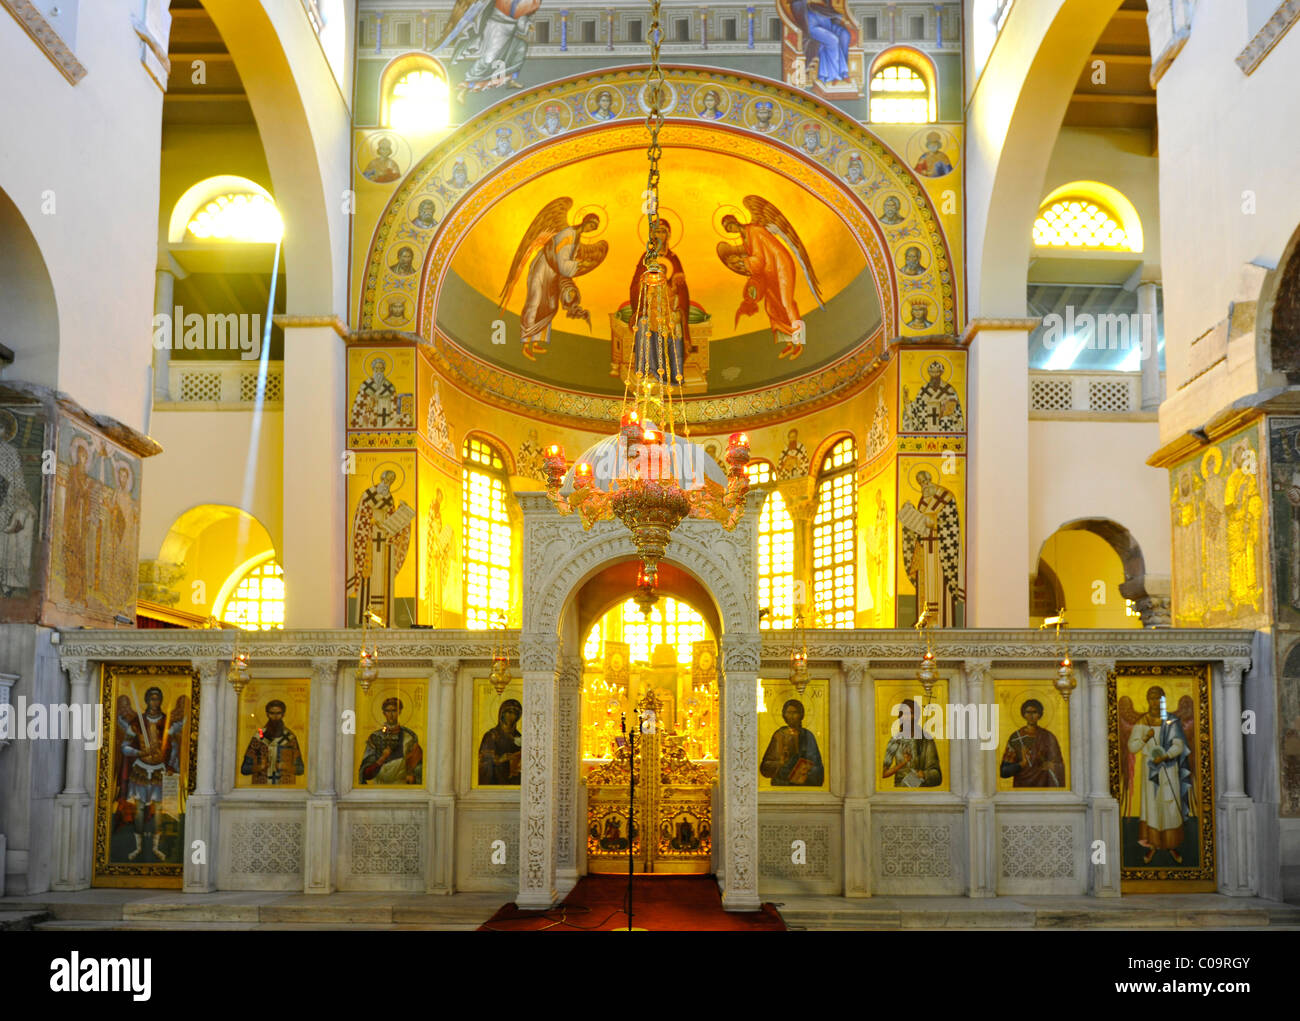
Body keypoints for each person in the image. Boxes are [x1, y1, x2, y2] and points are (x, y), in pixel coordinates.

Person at [500, 198, 608, 359]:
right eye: (591, 225)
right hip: (543, 266)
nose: (591, 229)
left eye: (594, 228)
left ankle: (536, 342)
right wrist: (579, 265)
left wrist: (573, 275)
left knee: (550, 304)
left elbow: (564, 266)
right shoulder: (568, 233)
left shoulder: (577, 241)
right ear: (585, 221)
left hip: (554, 273)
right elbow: (562, 262)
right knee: (535, 301)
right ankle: (525, 343)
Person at [1126, 686, 1192, 864]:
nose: (1154, 701)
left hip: (1169, 769)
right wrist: (1145, 739)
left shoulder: (1171, 721)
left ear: (1163, 700)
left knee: (1170, 804)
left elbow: (1179, 745)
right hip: (1150, 771)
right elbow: (1132, 747)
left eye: (1158, 698)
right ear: (1147, 700)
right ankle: (1153, 845)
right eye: (1151, 698)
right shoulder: (1142, 721)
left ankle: (1172, 845)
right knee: (1152, 806)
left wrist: (1165, 756)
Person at [116, 686, 183, 860]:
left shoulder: (166, 722)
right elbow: (124, 747)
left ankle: (156, 847)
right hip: (140, 769)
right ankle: (138, 848)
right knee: (138, 810)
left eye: (158, 699)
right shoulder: (137, 723)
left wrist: (171, 765)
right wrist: (140, 753)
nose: (155, 702)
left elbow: (174, 747)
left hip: (159, 771)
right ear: (146, 701)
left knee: (159, 810)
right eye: (152, 699)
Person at [347, 470, 415, 627]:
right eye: (387, 480)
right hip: (370, 542)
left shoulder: (390, 499)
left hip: (384, 544)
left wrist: (401, 512)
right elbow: (361, 516)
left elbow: (391, 520)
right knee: (369, 578)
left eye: (391, 481)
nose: (388, 483)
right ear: (381, 479)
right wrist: (373, 522)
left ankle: (385, 618)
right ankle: (367, 617)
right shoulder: (368, 494)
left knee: (383, 578)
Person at [629, 218, 691, 384]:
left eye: (663, 231)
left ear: (668, 235)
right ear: (652, 235)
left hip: (669, 312)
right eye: (657, 231)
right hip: (650, 311)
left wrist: (678, 311)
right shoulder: (646, 257)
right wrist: (643, 284)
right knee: (643, 324)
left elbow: (682, 293)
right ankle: (647, 371)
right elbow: (635, 286)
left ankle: (674, 375)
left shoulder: (673, 259)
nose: (660, 235)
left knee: (675, 327)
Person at [900, 470, 964, 627]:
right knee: (926, 588)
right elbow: (920, 525)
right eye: (920, 483)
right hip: (925, 550)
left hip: (941, 551)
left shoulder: (947, 497)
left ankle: (944, 622)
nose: (924, 485)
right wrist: (908, 516)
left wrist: (933, 522)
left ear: (931, 479)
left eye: (925, 481)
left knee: (941, 587)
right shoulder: (923, 501)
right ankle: (924, 620)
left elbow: (951, 525)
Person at [0, 411, 34, 597]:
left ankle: (5, 584)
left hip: (5, 504)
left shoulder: (10, 453)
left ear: (6, 431)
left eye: (1, 427)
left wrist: (18, 504)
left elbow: (17, 482)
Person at [999, 699, 1065, 787]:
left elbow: (1060, 765)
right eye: (1028, 712)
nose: (1031, 716)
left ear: (1040, 715)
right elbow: (1003, 772)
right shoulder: (1016, 737)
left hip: (1044, 785)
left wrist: (1052, 765)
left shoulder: (1048, 737)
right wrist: (1022, 763)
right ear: (1023, 714)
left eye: (1034, 712)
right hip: (1021, 787)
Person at [760, 698, 824, 785]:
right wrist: (780, 762)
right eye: (788, 713)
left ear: (801, 715)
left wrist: (805, 770)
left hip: (803, 784)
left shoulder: (807, 735)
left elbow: (817, 765)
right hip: (781, 783)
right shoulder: (779, 735)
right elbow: (765, 766)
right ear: (784, 715)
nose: (791, 716)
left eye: (795, 713)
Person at [359, 697, 423, 784]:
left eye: (394, 711)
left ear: (399, 712)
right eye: (388, 711)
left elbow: (418, 766)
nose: (391, 714)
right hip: (379, 786)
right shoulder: (375, 737)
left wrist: (411, 773)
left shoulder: (409, 737)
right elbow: (366, 773)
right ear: (384, 713)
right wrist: (382, 758)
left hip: (402, 784)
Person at [241, 699, 306, 785]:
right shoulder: (259, 736)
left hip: (285, 788)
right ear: (267, 714)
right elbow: (244, 769)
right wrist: (259, 767)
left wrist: (286, 766)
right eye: (272, 713)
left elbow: (301, 769)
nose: (275, 716)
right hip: (261, 787)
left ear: (283, 714)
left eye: (278, 713)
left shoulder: (290, 737)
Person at [882, 699, 941, 787]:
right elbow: (884, 773)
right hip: (900, 791)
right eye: (904, 714)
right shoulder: (895, 740)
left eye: (911, 713)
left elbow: (937, 775)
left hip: (920, 789)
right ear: (900, 717)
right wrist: (903, 763)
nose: (908, 717)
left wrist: (925, 774)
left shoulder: (926, 740)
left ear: (917, 717)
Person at [792, 0, 852, 86]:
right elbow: (796, 5)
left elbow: (827, 5)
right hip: (811, 23)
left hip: (825, 19)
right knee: (833, 40)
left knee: (844, 35)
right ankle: (834, 76)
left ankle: (844, 72)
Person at [901, 359, 964, 431]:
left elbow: (956, 413)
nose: (934, 375)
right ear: (929, 374)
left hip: (944, 429)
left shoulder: (949, 390)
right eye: (932, 372)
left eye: (937, 372)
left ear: (941, 373)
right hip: (925, 430)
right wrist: (906, 400)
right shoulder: (923, 390)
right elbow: (915, 410)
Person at [349, 358, 407, 429]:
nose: (379, 371)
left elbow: (395, 406)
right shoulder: (365, 386)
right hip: (370, 423)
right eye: (377, 368)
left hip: (387, 421)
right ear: (373, 369)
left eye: (381, 368)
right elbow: (358, 407)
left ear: (384, 370)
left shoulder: (389, 387)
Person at [478, 698, 523, 785]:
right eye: (509, 712)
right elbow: (483, 758)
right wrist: (500, 759)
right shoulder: (492, 735)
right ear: (502, 714)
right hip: (496, 776)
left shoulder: (519, 736)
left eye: (515, 713)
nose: (511, 715)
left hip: (514, 777)